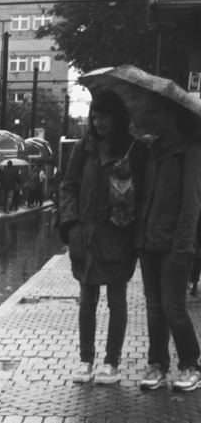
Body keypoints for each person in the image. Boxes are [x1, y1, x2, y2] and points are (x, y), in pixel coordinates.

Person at [58, 89, 147, 386]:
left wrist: (128, 174)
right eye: (94, 117)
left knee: (116, 299)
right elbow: (68, 186)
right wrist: (71, 226)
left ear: (116, 118)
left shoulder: (133, 150)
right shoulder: (84, 149)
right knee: (86, 300)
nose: (98, 123)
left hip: (118, 234)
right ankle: (86, 360)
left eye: (104, 118)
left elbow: (143, 193)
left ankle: (112, 362)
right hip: (85, 234)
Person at [132, 89, 201, 391]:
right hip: (148, 239)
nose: (150, 119)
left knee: (173, 306)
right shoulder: (152, 149)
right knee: (154, 306)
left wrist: (183, 246)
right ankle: (157, 364)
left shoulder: (191, 150)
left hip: (176, 243)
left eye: (155, 113)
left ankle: (191, 365)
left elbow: (192, 203)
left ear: (173, 115)